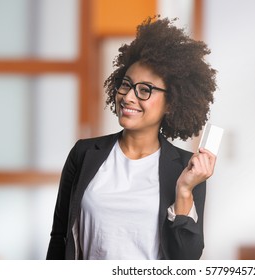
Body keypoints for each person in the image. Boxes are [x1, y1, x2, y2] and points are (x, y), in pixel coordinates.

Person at [46, 16, 217, 260]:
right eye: (126, 85)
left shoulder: (185, 169)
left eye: (145, 90)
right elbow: (59, 236)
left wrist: (185, 190)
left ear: (171, 103)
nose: (127, 97)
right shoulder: (84, 154)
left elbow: (186, 259)